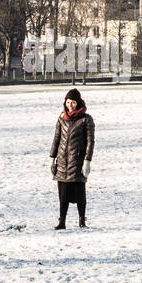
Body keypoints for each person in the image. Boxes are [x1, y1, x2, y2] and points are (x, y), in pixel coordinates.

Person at [49, 88, 94, 229]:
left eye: (73, 102)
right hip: (62, 161)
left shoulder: (86, 119)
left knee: (80, 194)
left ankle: (82, 220)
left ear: (78, 102)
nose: (70, 105)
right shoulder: (62, 118)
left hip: (78, 162)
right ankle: (62, 222)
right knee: (63, 195)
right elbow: (56, 139)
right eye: (68, 102)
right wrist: (52, 158)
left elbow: (90, 141)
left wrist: (87, 161)